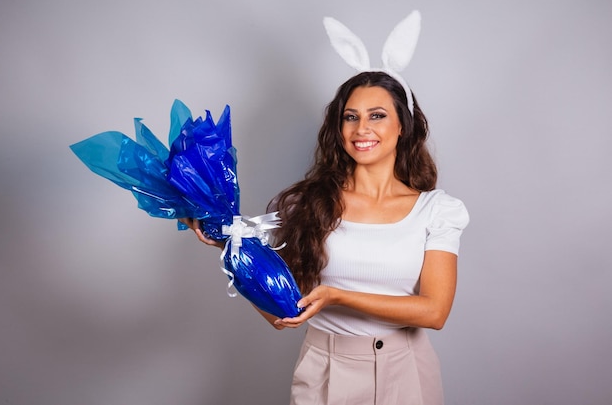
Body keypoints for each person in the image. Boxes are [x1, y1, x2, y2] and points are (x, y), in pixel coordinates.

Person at [182, 70, 469, 405]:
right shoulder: (305, 205)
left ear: (402, 125)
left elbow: (435, 312)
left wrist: (338, 296)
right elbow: (282, 316)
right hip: (325, 370)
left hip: (405, 372)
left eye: (377, 115)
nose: (362, 128)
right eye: (351, 117)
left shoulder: (436, 210)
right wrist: (232, 248)